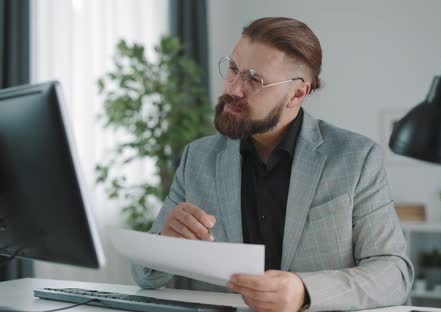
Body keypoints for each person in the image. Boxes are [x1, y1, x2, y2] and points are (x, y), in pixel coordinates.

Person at [131, 17, 413, 312]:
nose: (234, 89)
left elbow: (395, 274)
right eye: (233, 69)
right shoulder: (197, 158)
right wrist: (166, 240)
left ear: (297, 93)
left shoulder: (357, 158)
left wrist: (305, 292)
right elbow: (144, 276)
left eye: (254, 79)